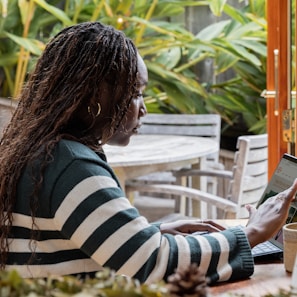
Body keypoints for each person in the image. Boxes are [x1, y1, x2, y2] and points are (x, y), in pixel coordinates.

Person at [0, 21, 296, 285]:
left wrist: (152, 231)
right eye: (136, 93)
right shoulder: (71, 166)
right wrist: (252, 233)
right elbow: (150, 263)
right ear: (94, 98)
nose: (143, 108)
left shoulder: (45, 152)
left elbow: (89, 245)